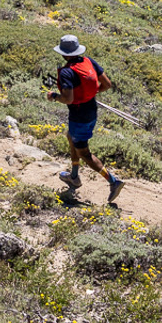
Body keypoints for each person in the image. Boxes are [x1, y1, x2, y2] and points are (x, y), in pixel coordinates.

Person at [48, 33, 124, 204]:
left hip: (79, 115)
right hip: (91, 109)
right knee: (71, 137)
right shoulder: (88, 61)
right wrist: (89, 94)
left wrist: (54, 96)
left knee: (84, 152)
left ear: (63, 53)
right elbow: (107, 84)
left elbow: (68, 99)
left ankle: (113, 181)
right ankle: (74, 176)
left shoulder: (67, 72)